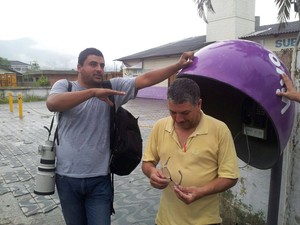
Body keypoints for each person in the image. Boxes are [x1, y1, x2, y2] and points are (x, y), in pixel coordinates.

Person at [46, 47, 194, 225]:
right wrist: (92, 93)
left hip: (99, 180)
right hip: (66, 178)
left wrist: (177, 65)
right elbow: (52, 103)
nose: (99, 68)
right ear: (79, 67)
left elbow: (145, 79)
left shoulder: (112, 88)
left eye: (102, 65)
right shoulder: (65, 86)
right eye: (93, 64)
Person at [142, 78, 239, 225]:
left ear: (199, 104)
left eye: (185, 113)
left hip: (206, 221)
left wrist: (201, 191)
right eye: (173, 112)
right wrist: (152, 173)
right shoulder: (160, 127)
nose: (178, 119)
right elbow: (147, 162)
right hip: (165, 220)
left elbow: (230, 177)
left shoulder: (220, 130)